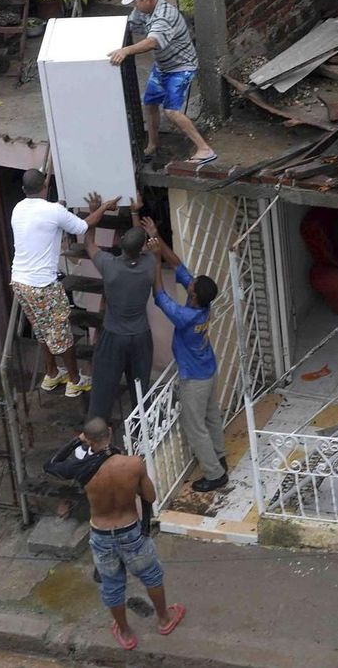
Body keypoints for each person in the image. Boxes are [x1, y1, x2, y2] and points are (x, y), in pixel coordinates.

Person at [44, 416, 185, 650]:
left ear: (88, 440)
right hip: (130, 531)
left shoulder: (81, 469)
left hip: (101, 534)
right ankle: (164, 619)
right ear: (109, 432)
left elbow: (51, 464)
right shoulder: (132, 464)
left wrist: (74, 442)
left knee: (111, 584)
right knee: (151, 574)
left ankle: (126, 633)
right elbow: (150, 497)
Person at [11, 169, 119, 397]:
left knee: (42, 330)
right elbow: (84, 225)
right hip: (42, 285)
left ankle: (51, 374)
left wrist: (59, 207)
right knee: (61, 333)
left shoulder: (18, 208)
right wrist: (101, 207)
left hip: (20, 282)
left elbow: (49, 216)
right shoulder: (53, 211)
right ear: (46, 187)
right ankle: (75, 379)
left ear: (24, 190)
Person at [144, 219, 228, 493]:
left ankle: (215, 474)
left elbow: (159, 294)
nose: (188, 284)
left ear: (193, 296)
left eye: (190, 287)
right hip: (209, 370)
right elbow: (179, 266)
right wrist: (159, 238)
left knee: (195, 427)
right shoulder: (201, 304)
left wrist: (156, 259)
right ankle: (219, 455)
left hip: (194, 379)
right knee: (212, 417)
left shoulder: (184, 316)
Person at [107, 0, 216, 165]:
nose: (134, 5)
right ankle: (153, 143)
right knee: (149, 103)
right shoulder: (143, 10)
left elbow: (152, 41)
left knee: (171, 111)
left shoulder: (165, 16)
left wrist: (126, 50)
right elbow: (130, 25)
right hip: (163, 65)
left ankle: (205, 149)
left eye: (136, 1)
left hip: (181, 67)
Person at [84, 195, 155, 422]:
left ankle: (96, 440)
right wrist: (135, 213)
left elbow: (89, 244)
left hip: (113, 336)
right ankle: (143, 439)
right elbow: (141, 243)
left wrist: (95, 212)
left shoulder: (110, 266)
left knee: (102, 392)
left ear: (122, 240)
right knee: (141, 393)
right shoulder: (150, 264)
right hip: (141, 336)